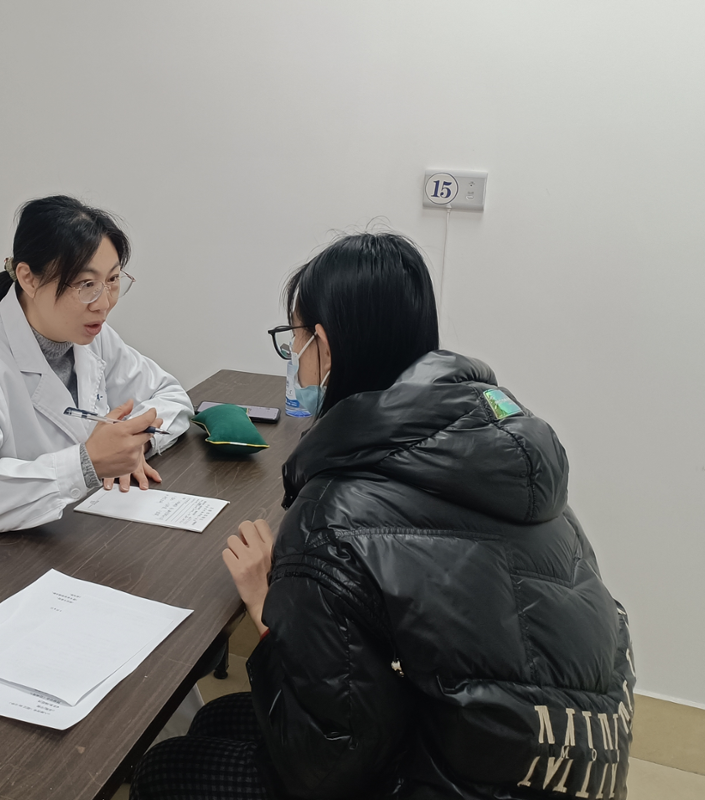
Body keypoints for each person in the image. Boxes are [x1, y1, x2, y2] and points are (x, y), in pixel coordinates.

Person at [131, 232, 635, 799]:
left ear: (322, 345)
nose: (292, 354)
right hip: (558, 763)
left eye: (292, 336)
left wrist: (268, 611)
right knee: (216, 719)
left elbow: (321, 768)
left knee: (165, 770)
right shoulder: (501, 450)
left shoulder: (335, 513)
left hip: (459, 780)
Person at [0, 195, 194, 558]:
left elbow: (172, 396)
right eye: (86, 284)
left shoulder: (92, 337)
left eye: (112, 280)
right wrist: (86, 464)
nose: (104, 303)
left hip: (59, 539)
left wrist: (132, 445)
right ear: (28, 278)